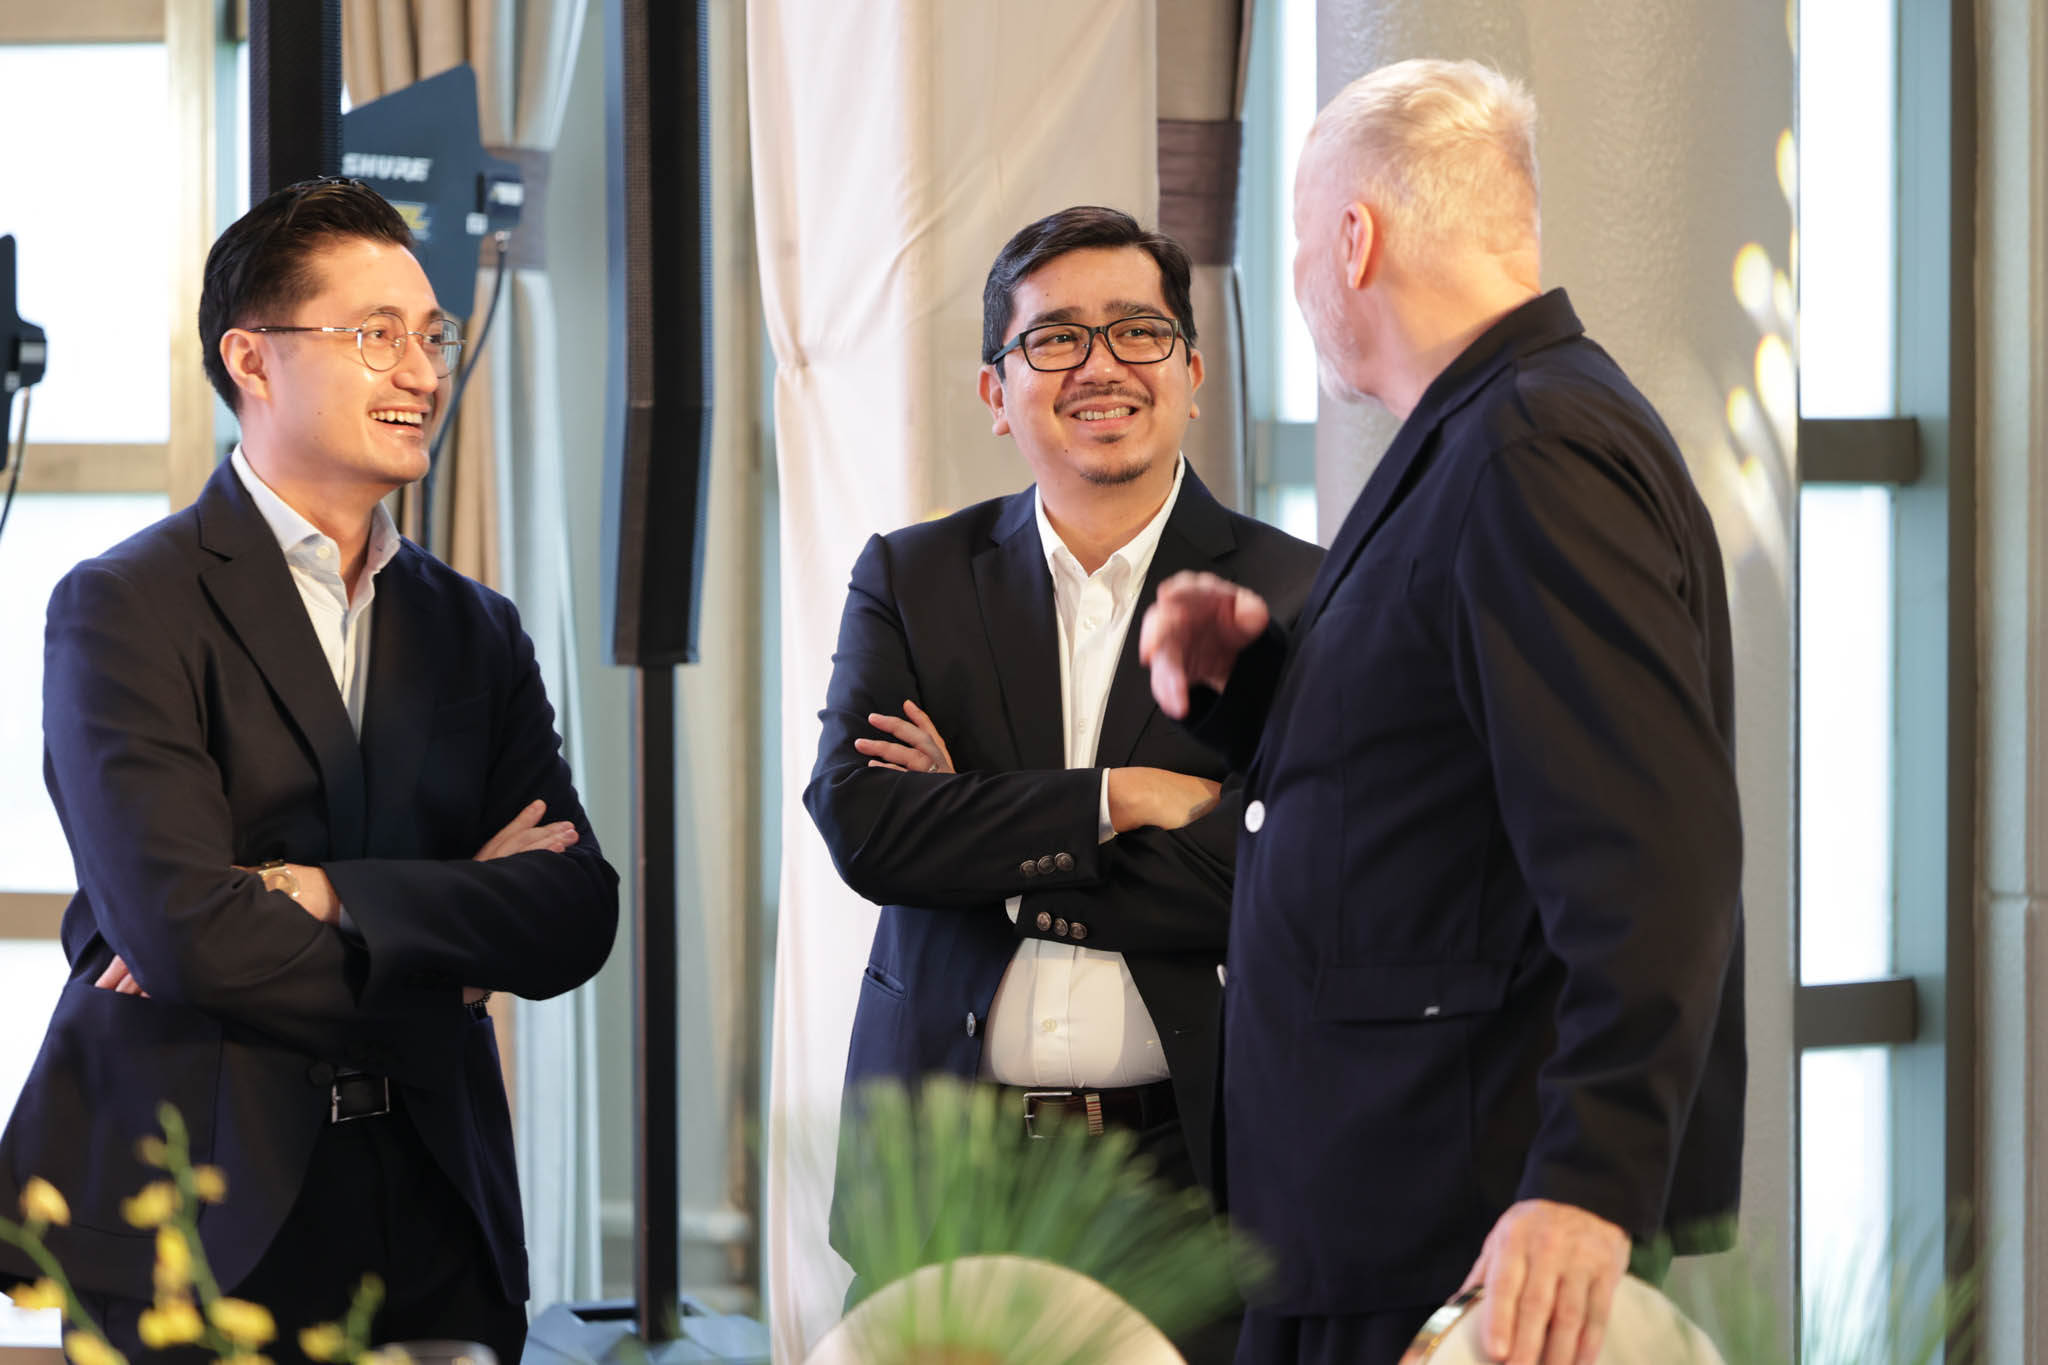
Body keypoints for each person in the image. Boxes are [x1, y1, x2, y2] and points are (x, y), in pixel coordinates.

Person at [1139, 59, 1746, 1365]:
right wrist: (1261, 688)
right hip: (1374, 1207)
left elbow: (1654, 854)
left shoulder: (1530, 450)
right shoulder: (1492, 437)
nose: (1301, 283)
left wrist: (1589, 1179)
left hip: (1453, 1236)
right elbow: (1442, 792)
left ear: (1355, 239)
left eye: (1302, 244)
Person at [0, 178, 617, 1363]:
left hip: (439, 1206)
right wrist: (452, 948)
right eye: (375, 334)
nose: (424, 371)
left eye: (432, 337)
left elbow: (573, 914)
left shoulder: (472, 626)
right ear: (253, 360)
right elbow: (189, 935)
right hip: (198, 1211)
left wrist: (316, 888)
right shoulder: (127, 605)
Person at [804, 206, 1323, 1363]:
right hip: (949, 1162)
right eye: (1053, 339)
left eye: (1137, 332)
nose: (1098, 365)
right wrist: (1120, 798)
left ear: (1190, 374)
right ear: (996, 391)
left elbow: (1278, 876)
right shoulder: (912, 577)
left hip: (1185, 1170)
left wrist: (982, 836)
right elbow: (866, 826)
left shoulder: (1296, 595)